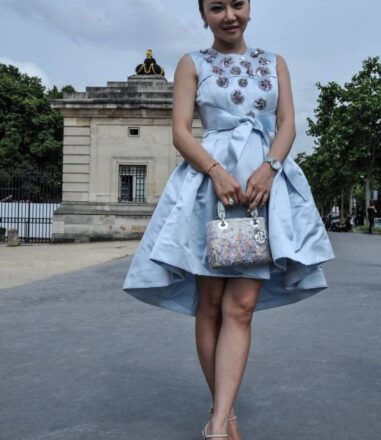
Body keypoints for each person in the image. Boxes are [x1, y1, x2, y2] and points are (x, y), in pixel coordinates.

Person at [123, 1, 335, 438]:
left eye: (237, 3)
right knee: (212, 306)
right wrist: (217, 173)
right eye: (216, 7)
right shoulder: (191, 63)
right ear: (203, 16)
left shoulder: (275, 62)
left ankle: (218, 422)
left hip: (264, 190)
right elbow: (182, 131)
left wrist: (270, 169)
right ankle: (225, 412)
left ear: (250, 7)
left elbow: (287, 123)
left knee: (241, 308)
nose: (229, 14)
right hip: (208, 188)